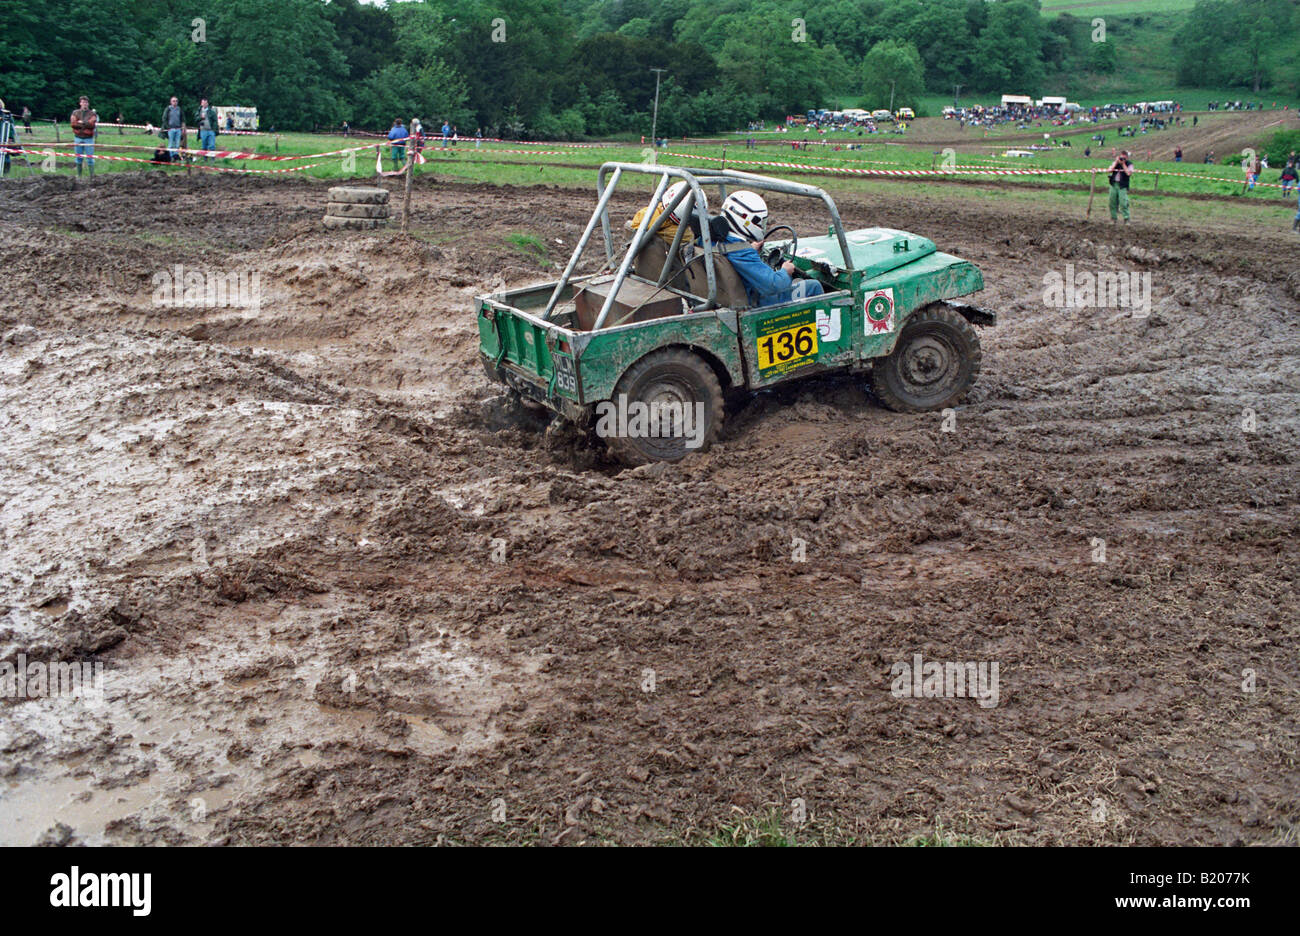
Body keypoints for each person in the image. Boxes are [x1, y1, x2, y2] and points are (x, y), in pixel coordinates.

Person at [717, 191, 824, 307]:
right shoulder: (743, 253)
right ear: (746, 219)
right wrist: (785, 271)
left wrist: (750, 248)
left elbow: (739, 257)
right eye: (760, 222)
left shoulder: (715, 241)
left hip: (729, 296)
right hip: (754, 302)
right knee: (813, 286)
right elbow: (776, 285)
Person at [70, 95, 98, 179]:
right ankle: (79, 176)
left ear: (88, 103)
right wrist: (85, 124)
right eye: (83, 102)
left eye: (86, 102)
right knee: (78, 158)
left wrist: (82, 123)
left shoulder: (92, 114)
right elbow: (73, 124)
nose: (84, 104)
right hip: (78, 137)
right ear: (80, 103)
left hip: (88, 139)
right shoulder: (75, 113)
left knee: (90, 158)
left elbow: (92, 124)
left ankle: (92, 176)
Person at [1106, 150, 1134, 224]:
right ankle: (1113, 218)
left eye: (1124, 158)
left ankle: (1126, 219)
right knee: (1112, 202)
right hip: (1113, 184)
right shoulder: (1116, 163)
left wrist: (1123, 164)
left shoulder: (1129, 164)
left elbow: (1128, 173)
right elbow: (1109, 170)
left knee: (1123, 203)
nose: (1122, 159)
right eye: (1121, 158)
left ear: (1127, 158)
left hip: (1122, 185)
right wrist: (1116, 162)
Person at [195, 98, 219, 162]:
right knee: (204, 145)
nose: (204, 104)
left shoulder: (211, 112)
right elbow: (196, 119)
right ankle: (205, 158)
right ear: (201, 104)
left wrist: (214, 129)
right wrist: (201, 118)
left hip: (211, 130)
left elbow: (215, 121)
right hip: (203, 130)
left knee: (212, 145)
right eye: (203, 103)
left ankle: (212, 158)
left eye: (205, 103)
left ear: (207, 104)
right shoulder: (199, 111)